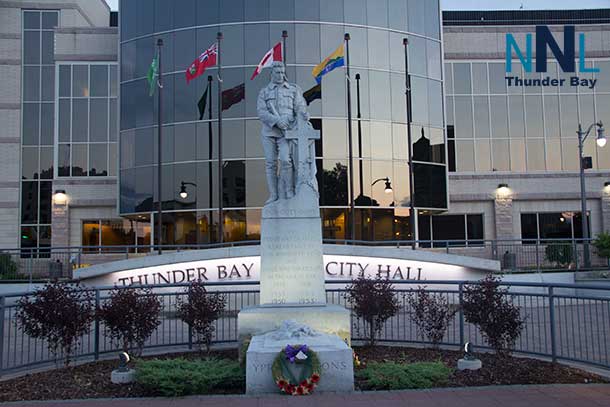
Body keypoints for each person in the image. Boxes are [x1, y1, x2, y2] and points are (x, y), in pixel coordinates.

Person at [256, 61, 308, 203]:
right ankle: (273, 194)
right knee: (271, 163)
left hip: (287, 132)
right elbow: (261, 112)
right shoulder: (264, 92)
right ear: (271, 74)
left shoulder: (293, 90)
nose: (280, 75)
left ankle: (289, 190)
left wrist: (303, 113)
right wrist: (276, 120)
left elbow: (299, 106)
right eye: (277, 72)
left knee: (286, 160)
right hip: (270, 132)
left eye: (282, 72)